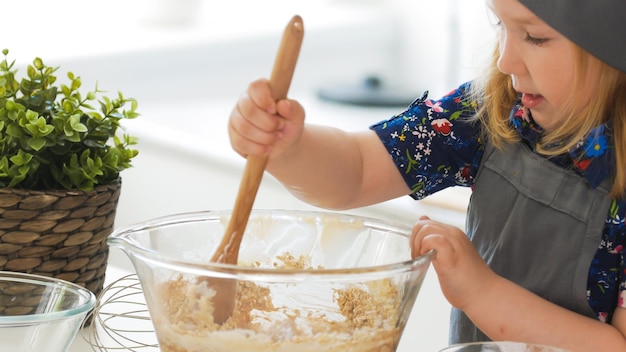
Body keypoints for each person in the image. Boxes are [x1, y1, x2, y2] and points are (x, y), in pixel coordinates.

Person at [227, 0, 626, 350]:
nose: (506, 61)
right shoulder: (492, 110)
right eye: (500, 25)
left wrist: (482, 292)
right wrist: (289, 146)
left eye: (534, 37)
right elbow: (360, 168)